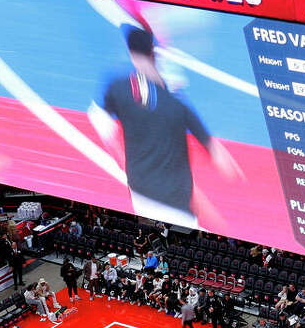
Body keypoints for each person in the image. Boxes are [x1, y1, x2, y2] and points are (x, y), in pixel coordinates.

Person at [91, 22, 243, 226]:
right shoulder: (177, 102)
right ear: (154, 54)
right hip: (176, 203)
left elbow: (99, 119)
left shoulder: (117, 88)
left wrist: (124, 161)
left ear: (131, 52)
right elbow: (218, 153)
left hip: (140, 192)